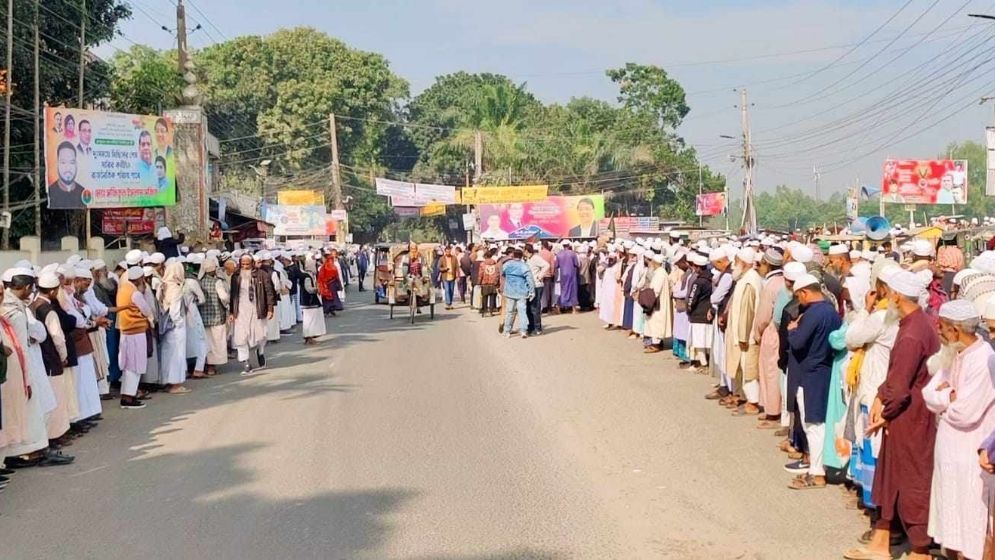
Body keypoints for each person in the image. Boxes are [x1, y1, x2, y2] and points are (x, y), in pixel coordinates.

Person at [845, 270, 940, 560]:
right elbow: (894, 377)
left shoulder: (913, 332)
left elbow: (901, 385)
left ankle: (920, 549)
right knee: (890, 477)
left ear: (897, 296)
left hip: (911, 418)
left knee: (912, 480)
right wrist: (879, 396)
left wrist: (884, 409)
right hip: (901, 415)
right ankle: (881, 542)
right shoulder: (912, 323)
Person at [922, 300, 995, 560]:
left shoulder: (984, 359)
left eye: (942, 327)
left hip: (970, 454)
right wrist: (947, 398)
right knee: (950, 524)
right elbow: (928, 393)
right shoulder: (953, 354)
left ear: (955, 329)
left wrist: (947, 400)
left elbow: (966, 413)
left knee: (971, 525)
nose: (938, 332)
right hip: (948, 451)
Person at [785, 273, 842, 490]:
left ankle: (817, 472)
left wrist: (792, 330)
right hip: (825, 370)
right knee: (819, 423)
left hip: (810, 374)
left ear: (805, 293)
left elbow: (799, 343)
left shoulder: (812, 314)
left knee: (814, 425)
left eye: (799, 296)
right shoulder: (831, 312)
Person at [753, 248, 785, 428]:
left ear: (767, 264)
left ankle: (772, 412)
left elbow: (764, 316)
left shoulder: (771, 284)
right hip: (784, 333)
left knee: (771, 373)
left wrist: (758, 333)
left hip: (772, 332)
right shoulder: (783, 281)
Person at [230, 254, 275, 374]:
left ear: (252, 264)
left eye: (247, 264)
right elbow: (233, 296)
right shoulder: (236, 276)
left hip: (258, 308)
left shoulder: (262, 275)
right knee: (241, 336)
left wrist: (270, 309)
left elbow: (269, 292)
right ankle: (245, 361)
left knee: (261, 335)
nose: (245, 267)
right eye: (243, 264)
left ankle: (260, 351)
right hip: (241, 309)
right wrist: (231, 312)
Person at [157, 262, 190, 394]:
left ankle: (167, 381)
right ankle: (176, 384)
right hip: (175, 327)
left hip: (166, 326)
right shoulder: (175, 288)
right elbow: (175, 311)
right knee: (177, 354)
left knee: (167, 354)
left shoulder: (164, 285)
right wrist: (180, 322)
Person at [198, 256, 229, 376]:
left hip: (203, 317)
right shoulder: (217, 282)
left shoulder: (199, 282)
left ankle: (206, 364)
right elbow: (224, 297)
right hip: (216, 316)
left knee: (206, 342)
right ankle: (212, 366)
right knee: (216, 342)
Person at [686, 252, 713, 371]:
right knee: (707, 340)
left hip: (698, 314)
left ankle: (703, 364)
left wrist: (689, 308)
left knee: (698, 341)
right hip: (708, 313)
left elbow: (692, 298)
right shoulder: (712, 278)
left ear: (697, 267)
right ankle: (707, 362)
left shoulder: (698, 282)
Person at [500, 249, 535, 339]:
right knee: (522, 311)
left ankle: (507, 331)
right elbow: (530, 279)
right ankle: (523, 331)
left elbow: (502, 274)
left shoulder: (507, 265)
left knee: (510, 311)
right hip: (522, 291)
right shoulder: (524, 266)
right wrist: (532, 291)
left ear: (513, 255)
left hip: (510, 291)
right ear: (521, 256)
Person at [643, 253, 672, 353]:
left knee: (656, 323)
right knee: (653, 322)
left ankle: (656, 344)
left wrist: (647, 299)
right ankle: (655, 343)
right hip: (656, 302)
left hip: (657, 303)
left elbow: (656, 290)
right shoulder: (660, 272)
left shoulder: (660, 274)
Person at [47, 142, 86, 209]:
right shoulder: (50, 192)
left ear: (76, 164)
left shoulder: (83, 192)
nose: (68, 168)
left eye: (72, 162)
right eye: (63, 162)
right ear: (57, 164)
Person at [299, 256, 325, 345]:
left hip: (306, 301)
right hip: (309, 301)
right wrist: (317, 289)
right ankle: (309, 337)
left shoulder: (307, 275)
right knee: (310, 320)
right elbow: (308, 289)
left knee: (308, 320)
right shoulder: (306, 276)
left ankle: (309, 337)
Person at [525, 244, 550, 335]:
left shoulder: (536, 258)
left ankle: (538, 328)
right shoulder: (528, 259)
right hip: (529, 285)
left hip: (537, 285)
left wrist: (540, 275)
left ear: (526, 251)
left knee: (535, 307)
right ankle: (531, 327)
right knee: (529, 307)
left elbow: (546, 265)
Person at [555, 240, 580, 313]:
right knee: (573, 290)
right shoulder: (572, 253)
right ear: (569, 245)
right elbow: (576, 264)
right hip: (571, 274)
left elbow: (556, 265)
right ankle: (574, 310)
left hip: (563, 274)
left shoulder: (559, 254)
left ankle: (558, 308)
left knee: (563, 290)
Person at [318, 251, 343, 316]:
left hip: (326, 284)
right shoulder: (333, 266)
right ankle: (332, 309)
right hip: (333, 284)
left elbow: (322, 276)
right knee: (333, 296)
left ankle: (327, 310)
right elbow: (336, 275)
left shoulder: (325, 267)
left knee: (327, 297)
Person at [478, 249, 501, 317]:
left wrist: (479, 282)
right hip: (493, 283)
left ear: (485, 256)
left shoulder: (482, 264)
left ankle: (485, 311)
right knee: (492, 297)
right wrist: (496, 282)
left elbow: (480, 274)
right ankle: (491, 311)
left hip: (485, 283)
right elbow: (497, 274)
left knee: (484, 297)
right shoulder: (495, 264)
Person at [438, 246, 459, 310]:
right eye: (447, 251)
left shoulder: (454, 258)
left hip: (452, 276)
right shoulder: (442, 259)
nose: (448, 252)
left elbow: (457, 267)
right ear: (445, 251)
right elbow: (439, 267)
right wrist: (445, 269)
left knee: (451, 290)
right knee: (447, 290)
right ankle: (448, 303)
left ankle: (450, 303)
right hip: (445, 276)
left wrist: (458, 274)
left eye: (449, 251)